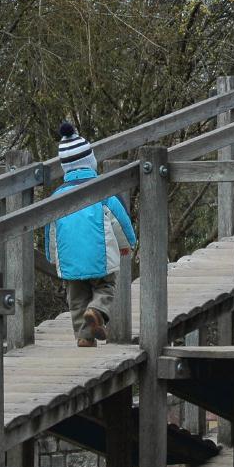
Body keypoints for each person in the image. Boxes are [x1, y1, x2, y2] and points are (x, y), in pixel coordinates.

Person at [45, 121, 136, 347]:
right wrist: (129, 243)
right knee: (105, 287)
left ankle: (84, 337)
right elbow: (120, 220)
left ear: (65, 168)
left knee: (76, 300)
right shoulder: (102, 189)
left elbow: (50, 230)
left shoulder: (57, 197)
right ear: (90, 161)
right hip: (99, 256)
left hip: (71, 261)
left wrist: (53, 257)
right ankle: (97, 311)